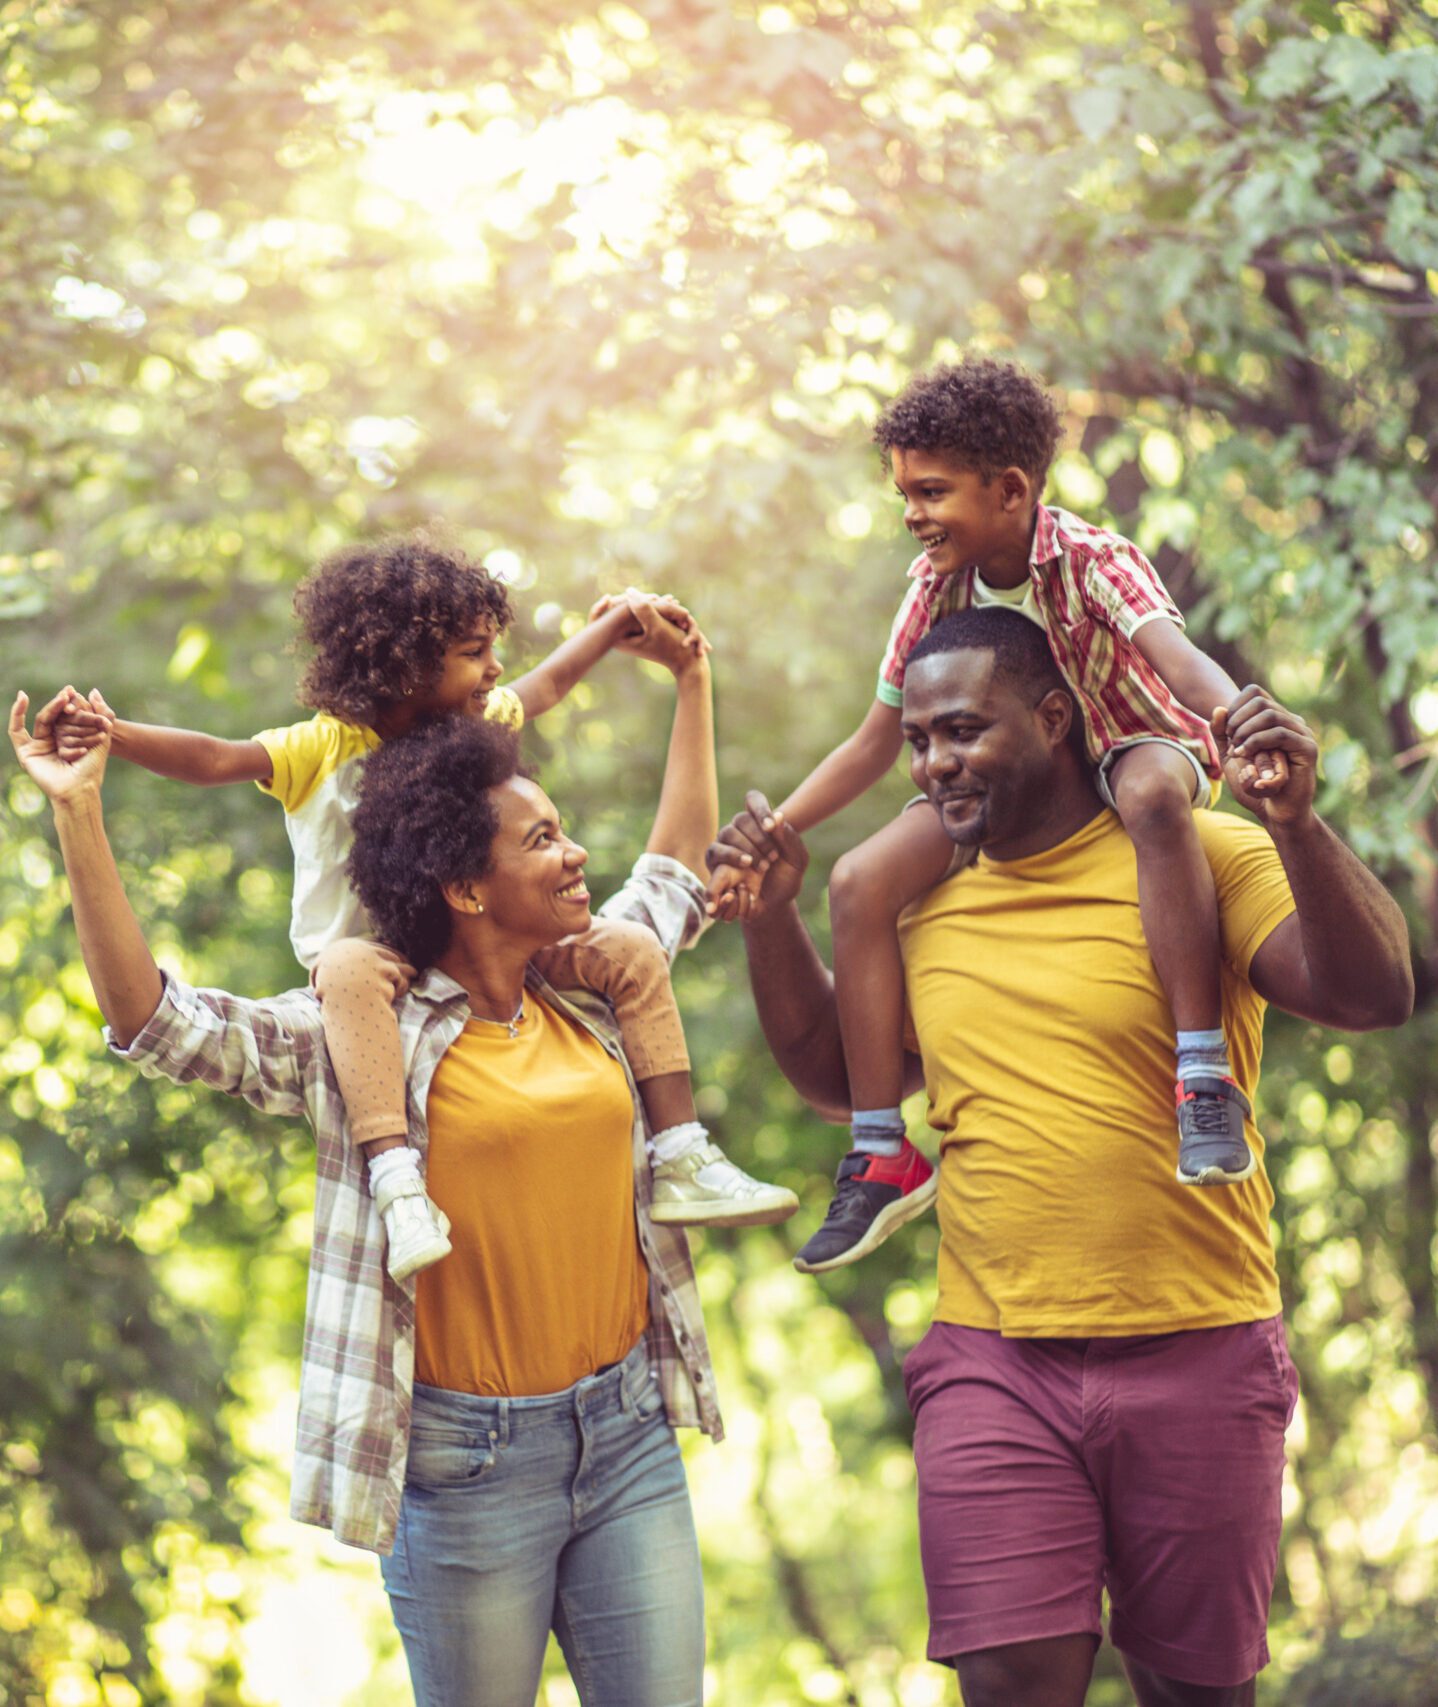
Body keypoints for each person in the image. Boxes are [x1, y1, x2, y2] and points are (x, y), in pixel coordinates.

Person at [710, 608, 1412, 1707]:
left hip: (1202, 1344)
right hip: (996, 1359)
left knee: (1195, 1691)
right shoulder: (918, 899)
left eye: (961, 732)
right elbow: (843, 1082)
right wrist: (769, 918)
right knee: (1007, 1682)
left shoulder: (1196, 855)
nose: (935, 763)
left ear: (1050, 719)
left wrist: (1296, 825)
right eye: (921, 742)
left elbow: (1373, 995)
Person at [12, 675, 728, 1707]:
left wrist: (691, 681)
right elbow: (156, 1020)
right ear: (466, 890)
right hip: (465, 1467)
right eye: (540, 842)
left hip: (625, 1438)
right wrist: (78, 808)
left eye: (562, 833)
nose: (575, 856)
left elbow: (673, 873)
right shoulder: (362, 1039)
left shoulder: (594, 989)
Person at [55, 535, 795, 1281]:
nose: (495, 668)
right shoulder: (326, 746)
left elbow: (550, 688)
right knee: (349, 967)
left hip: (467, 950)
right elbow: (215, 759)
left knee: (631, 947)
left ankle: (681, 1151)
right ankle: (397, 1180)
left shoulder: (480, 747)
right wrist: (109, 743)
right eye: (475, 652)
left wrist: (630, 633)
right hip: (365, 975)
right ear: (408, 664)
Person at [710, 357, 1284, 1274]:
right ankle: (879, 1149)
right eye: (904, 492)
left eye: (931, 491)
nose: (913, 512)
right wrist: (777, 829)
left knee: (1146, 796)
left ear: (1010, 490)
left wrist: (1243, 726)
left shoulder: (1092, 560)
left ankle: (1203, 1072)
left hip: (1134, 744)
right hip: (1011, 777)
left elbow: (1177, 662)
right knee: (859, 880)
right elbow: (873, 741)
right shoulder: (937, 583)